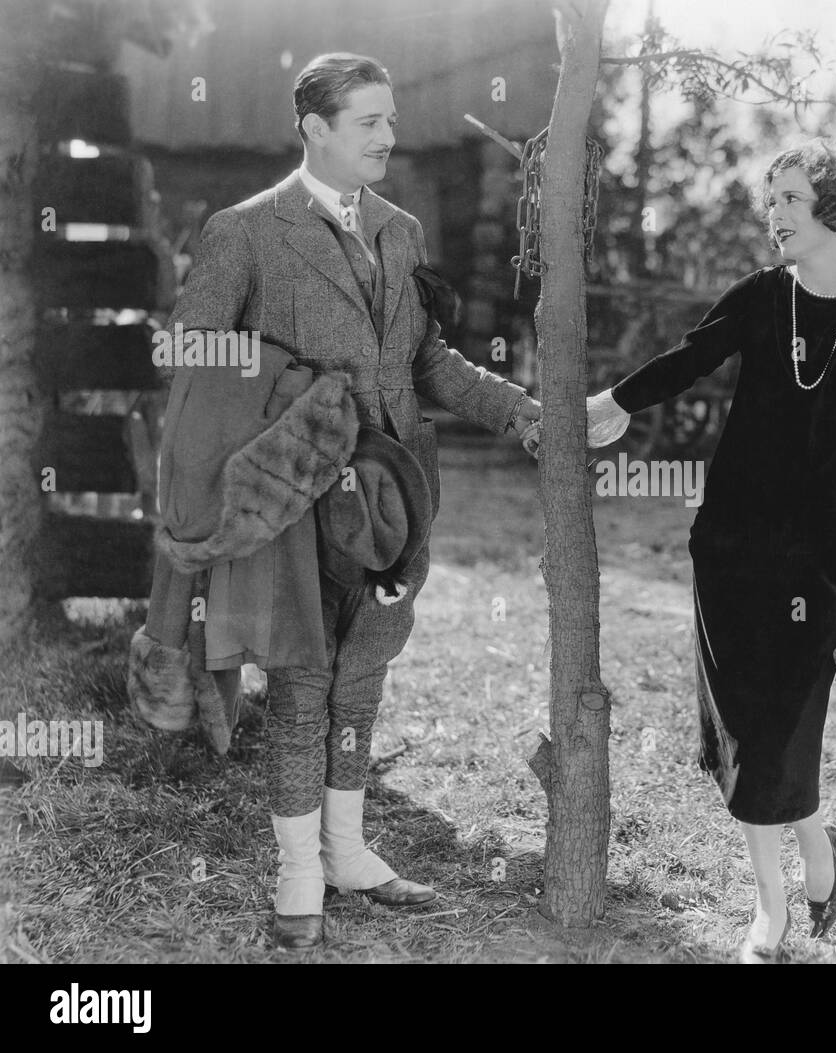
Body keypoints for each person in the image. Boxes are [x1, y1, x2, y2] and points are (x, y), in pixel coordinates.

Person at [164, 52, 540, 949]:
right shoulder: (244, 233)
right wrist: (300, 399)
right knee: (302, 681)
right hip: (294, 501)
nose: (390, 135)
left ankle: (347, 847)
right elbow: (192, 357)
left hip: (395, 501)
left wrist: (524, 413)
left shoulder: (402, 230)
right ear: (316, 129)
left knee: (361, 678)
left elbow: (426, 363)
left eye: (391, 118)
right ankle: (299, 871)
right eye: (369, 120)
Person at [586, 140, 836, 961]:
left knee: (787, 722)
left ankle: (795, 878)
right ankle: (773, 899)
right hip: (732, 548)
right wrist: (609, 402)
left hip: (820, 561)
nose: (773, 213)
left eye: (790, 196)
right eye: (770, 198)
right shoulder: (758, 297)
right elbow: (688, 357)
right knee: (749, 728)